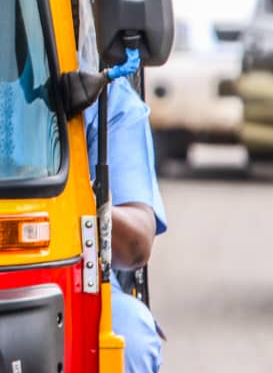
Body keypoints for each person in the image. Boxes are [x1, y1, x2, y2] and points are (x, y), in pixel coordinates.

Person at [84, 76, 167, 373]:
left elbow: (135, 246)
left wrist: (81, 198)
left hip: (78, 280)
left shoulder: (106, 97)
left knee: (129, 338)